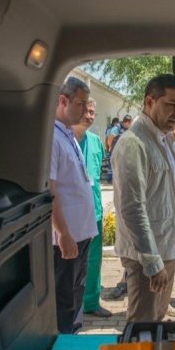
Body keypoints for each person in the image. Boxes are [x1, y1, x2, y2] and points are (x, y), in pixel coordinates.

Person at [112, 74, 175, 322]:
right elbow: (132, 208)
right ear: (149, 102)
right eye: (171, 104)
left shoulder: (164, 139)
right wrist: (152, 262)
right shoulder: (133, 143)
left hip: (165, 247)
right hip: (147, 256)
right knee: (143, 325)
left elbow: (169, 194)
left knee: (157, 319)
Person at [50, 77, 98, 333]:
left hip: (81, 233)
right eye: (80, 103)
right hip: (67, 237)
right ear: (63, 100)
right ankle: (64, 341)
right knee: (64, 298)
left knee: (75, 292)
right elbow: (50, 189)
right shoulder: (52, 138)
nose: (85, 109)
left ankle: (73, 334)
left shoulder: (67, 134)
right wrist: (63, 233)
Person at [72, 98, 112, 318]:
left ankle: (91, 302)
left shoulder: (96, 142)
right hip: (71, 215)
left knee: (94, 260)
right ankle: (71, 308)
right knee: (69, 262)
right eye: (86, 111)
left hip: (94, 212)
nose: (89, 116)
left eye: (92, 112)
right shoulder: (64, 140)